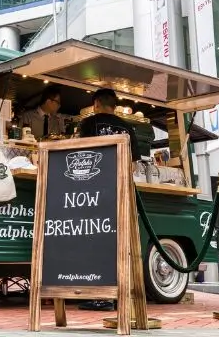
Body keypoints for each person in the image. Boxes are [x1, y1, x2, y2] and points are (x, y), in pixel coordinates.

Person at [77, 88, 140, 311]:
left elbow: (78, 157)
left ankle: (100, 295)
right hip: (119, 191)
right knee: (117, 242)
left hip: (93, 192)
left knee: (94, 240)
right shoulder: (128, 127)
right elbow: (133, 165)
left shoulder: (87, 125)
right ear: (114, 105)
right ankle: (118, 294)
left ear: (95, 103)